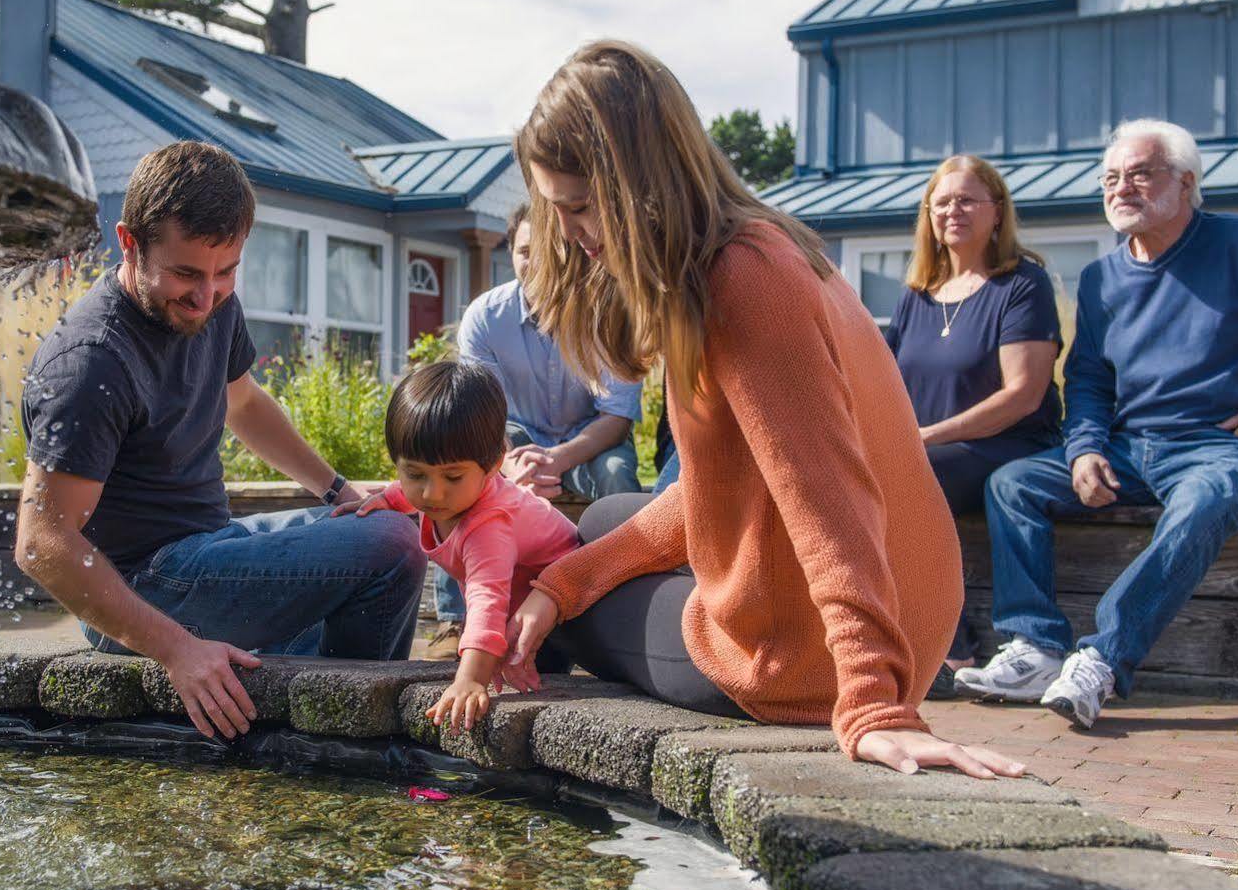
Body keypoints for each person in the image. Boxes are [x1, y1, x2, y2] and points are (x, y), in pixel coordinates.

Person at [503, 40, 1027, 779]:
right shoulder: (764, 246)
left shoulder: (742, 281)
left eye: (581, 208)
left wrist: (873, 701)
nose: (573, 235)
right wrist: (565, 583)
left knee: (561, 588)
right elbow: (732, 488)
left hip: (813, 655)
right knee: (590, 535)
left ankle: (541, 804)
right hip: (906, 595)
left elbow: (826, 493)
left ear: (635, 185)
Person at [959, 119, 1238, 728]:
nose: (1122, 188)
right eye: (1110, 178)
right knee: (1013, 482)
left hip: (1223, 449)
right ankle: (1038, 648)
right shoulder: (1101, 279)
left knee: (1204, 499)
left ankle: (1102, 658)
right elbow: (1091, 381)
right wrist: (1085, 449)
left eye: (1140, 174)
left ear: (1185, 182)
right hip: (1129, 450)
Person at [14, 141, 425, 743]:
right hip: (145, 590)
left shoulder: (212, 307)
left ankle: (321, 721)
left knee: (385, 529)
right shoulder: (91, 363)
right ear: (129, 243)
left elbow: (245, 403)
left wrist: (337, 489)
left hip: (212, 549)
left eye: (225, 271)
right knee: (389, 546)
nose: (206, 295)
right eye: (185, 274)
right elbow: (42, 542)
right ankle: (351, 744)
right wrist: (178, 651)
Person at [423, 203, 643, 656]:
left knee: (619, 475)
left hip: (590, 437)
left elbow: (616, 419)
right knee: (459, 467)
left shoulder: (606, 312)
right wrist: (509, 462)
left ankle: (622, 606)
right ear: (511, 252)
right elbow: (481, 413)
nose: (533, 263)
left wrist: (557, 459)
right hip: (511, 436)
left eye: (544, 251)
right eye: (523, 251)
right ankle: (453, 621)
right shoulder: (486, 316)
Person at [884, 155, 1063, 696]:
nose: (952, 211)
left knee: (902, 478)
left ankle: (947, 648)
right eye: (941, 202)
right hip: (930, 451)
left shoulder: (1022, 285)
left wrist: (925, 438)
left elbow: (1021, 396)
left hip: (1007, 446)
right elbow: (886, 383)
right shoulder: (917, 294)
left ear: (996, 212)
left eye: (966, 200)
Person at [336, 360, 581, 732]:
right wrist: (385, 499)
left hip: (564, 612)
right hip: (520, 595)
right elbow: (408, 490)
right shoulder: (444, 492)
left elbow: (487, 599)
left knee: (526, 672)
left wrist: (470, 679)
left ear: (494, 463)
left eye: (452, 476)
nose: (432, 493)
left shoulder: (489, 526)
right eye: (415, 473)